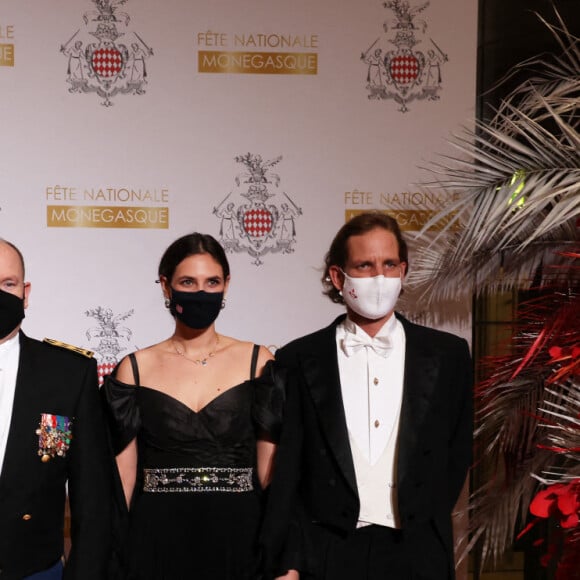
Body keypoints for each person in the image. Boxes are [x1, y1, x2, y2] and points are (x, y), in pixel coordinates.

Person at [261, 212, 473, 579]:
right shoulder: (297, 359)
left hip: (418, 553)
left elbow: (458, 452)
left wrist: (425, 517)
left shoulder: (449, 354)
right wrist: (290, 559)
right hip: (327, 553)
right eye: (365, 265)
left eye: (390, 264)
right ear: (337, 276)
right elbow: (290, 470)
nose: (380, 277)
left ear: (404, 271)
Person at [103, 233, 281, 579]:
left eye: (211, 282)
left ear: (226, 285)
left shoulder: (258, 362)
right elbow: (121, 482)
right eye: (188, 282)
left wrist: (281, 556)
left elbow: (270, 475)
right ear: (166, 287)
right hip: (155, 538)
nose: (201, 293)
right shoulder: (134, 369)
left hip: (240, 537)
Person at [0, 239, 111, 579]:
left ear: (25, 292)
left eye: (8, 284)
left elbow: (91, 495)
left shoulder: (68, 373)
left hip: (34, 570)